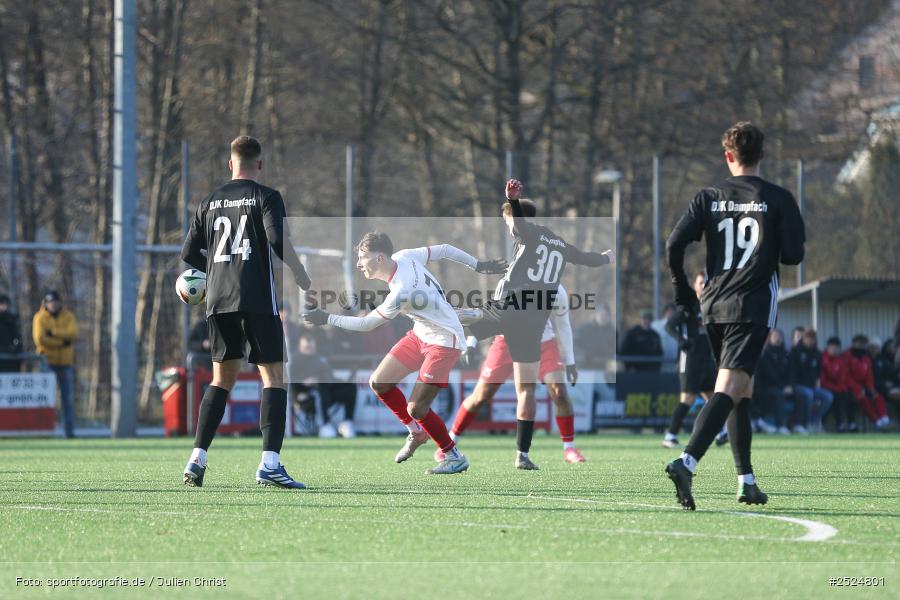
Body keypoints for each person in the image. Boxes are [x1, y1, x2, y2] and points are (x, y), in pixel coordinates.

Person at [664, 121, 805, 510]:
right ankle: (686, 461)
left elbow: (675, 242)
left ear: (728, 157)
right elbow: (793, 255)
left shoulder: (708, 196)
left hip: (713, 305)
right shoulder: (778, 198)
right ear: (761, 155)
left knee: (742, 392)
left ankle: (746, 481)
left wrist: (680, 289)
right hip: (752, 304)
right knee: (730, 386)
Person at [303, 232, 507, 474]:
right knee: (379, 382)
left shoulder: (401, 289)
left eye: (362, 257)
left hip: (444, 341)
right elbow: (443, 247)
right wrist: (478, 265)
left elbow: (366, 324)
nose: (358, 264)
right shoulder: (405, 256)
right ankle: (415, 432)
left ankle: (453, 455)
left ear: (379, 258)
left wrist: (326, 318)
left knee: (416, 408)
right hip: (420, 334)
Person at [180, 135, 312, 489]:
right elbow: (275, 238)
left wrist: (206, 279)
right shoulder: (265, 196)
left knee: (221, 380)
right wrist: (299, 274)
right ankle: (269, 463)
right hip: (256, 300)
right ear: (260, 164)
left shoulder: (207, 203)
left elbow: (190, 254)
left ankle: (197, 457)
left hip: (218, 302)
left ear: (230, 164)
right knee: (273, 378)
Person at [460, 179, 614, 470]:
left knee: (469, 315)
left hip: (516, 306)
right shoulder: (561, 244)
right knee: (527, 389)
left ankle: (431, 314)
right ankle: (523, 455)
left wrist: (513, 202)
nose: (510, 228)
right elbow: (586, 259)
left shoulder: (529, 234)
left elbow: (519, 227)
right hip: (535, 322)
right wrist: (605, 259)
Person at [445, 284, 586, 464]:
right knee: (481, 396)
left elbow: (564, 325)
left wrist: (571, 362)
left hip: (543, 343)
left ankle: (569, 448)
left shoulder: (556, 289)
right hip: (506, 344)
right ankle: (449, 443)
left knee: (558, 391)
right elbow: (489, 313)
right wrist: (471, 344)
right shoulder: (508, 282)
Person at [662, 273, 718, 448]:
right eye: (701, 282)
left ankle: (722, 432)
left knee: (714, 397)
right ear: (695, 285)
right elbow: (669, 325)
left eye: (706, 283)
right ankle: (670, 435)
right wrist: (682, 341)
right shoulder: (689, 306)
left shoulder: (711, 304)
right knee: (688, 399)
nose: (703, 285)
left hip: (706, 358)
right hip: (690, 359)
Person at [32, 291, 79, 438]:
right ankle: (43, 431)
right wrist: (62, 342)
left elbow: (73, 334)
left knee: (67, 399)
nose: (54, 304)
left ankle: (69, 432)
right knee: (45, 399)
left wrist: (52, 333)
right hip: (47, 362)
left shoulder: (68, 316)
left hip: (65, 363)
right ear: (46, 304)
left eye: (56, 302)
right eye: (51, 302)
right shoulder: (40, 317)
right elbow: (40, 339)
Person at [290, 333, 356, 438]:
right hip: (306, 395)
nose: (309, 349)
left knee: (350, 387)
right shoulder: (295, 361)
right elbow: (291, 380)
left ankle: (347, 422)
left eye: (311, 347)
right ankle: (324, 424)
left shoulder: (320, 359)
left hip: (327, 390)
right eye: (307, 347)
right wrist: (304, 382)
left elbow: (329, 377)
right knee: (319, 390)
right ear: (300, 347)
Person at [787, 329, 833, 433]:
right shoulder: (795, 351)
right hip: (796, 385)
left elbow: (818, 371)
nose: (810, 340)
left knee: (828, 396)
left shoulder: (817, 354)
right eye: (807, 338)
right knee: (808, 394)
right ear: (803, 339)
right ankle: (802, 424)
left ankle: (812, 422)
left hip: (811, 386)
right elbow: (791, 370)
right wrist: (790, 385)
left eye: (812, 338)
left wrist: (814, 382)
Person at [844, 334, 890, 429]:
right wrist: (858, 388)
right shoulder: (847, 356)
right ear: (854, 344)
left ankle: (885, 419)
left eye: (863, 344)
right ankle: (876, 421)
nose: (861, 346)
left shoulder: (866, 358)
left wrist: (870, 388)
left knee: (877, 396)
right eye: (859, 344)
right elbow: (846, 376)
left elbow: (869, 376)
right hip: (850, 387)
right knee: (863, 398)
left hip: (863, 386)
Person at [753, 328, 791, 434]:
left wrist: (789, 385)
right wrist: (782, 386)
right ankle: (778, 425)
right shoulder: (765, 353)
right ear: (770, 338)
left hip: (782, 386)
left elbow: (791, 372)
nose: (777, 339)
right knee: (778, 395)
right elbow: (768, 373)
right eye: (775, 336)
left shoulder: (786, 353)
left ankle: (800, 425)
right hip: (766, 386)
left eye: (779, 337)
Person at [821, 336, 857, 432]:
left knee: (849, 395)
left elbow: (844, 376)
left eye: (837, 346)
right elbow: (822, 379)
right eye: (832, 346)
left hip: (838, 388)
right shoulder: (822, 359)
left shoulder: (841, 360)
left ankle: (851, 423)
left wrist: (842, 387)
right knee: (837, 396)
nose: (834, 349)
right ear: (827, 347)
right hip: (825, 388)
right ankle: (840, 424)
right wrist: (836, 388)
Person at [574, 302, 615, 370]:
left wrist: (603, 355)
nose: (602, 316)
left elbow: (614, 349)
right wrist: (585, 355)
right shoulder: (583, 329)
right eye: (600, 314)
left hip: (602, 368)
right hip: (583, 367)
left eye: (605, 314)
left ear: (609, 316)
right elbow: (574, 345)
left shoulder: (612, 332)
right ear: (596, 314)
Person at [0, 294, 22, 372]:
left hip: (12, 363)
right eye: (2, 304)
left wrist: (15, 347)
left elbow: (18, 339)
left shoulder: (12, 320)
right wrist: (5, 350)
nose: (5, 307)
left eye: (7, 304)